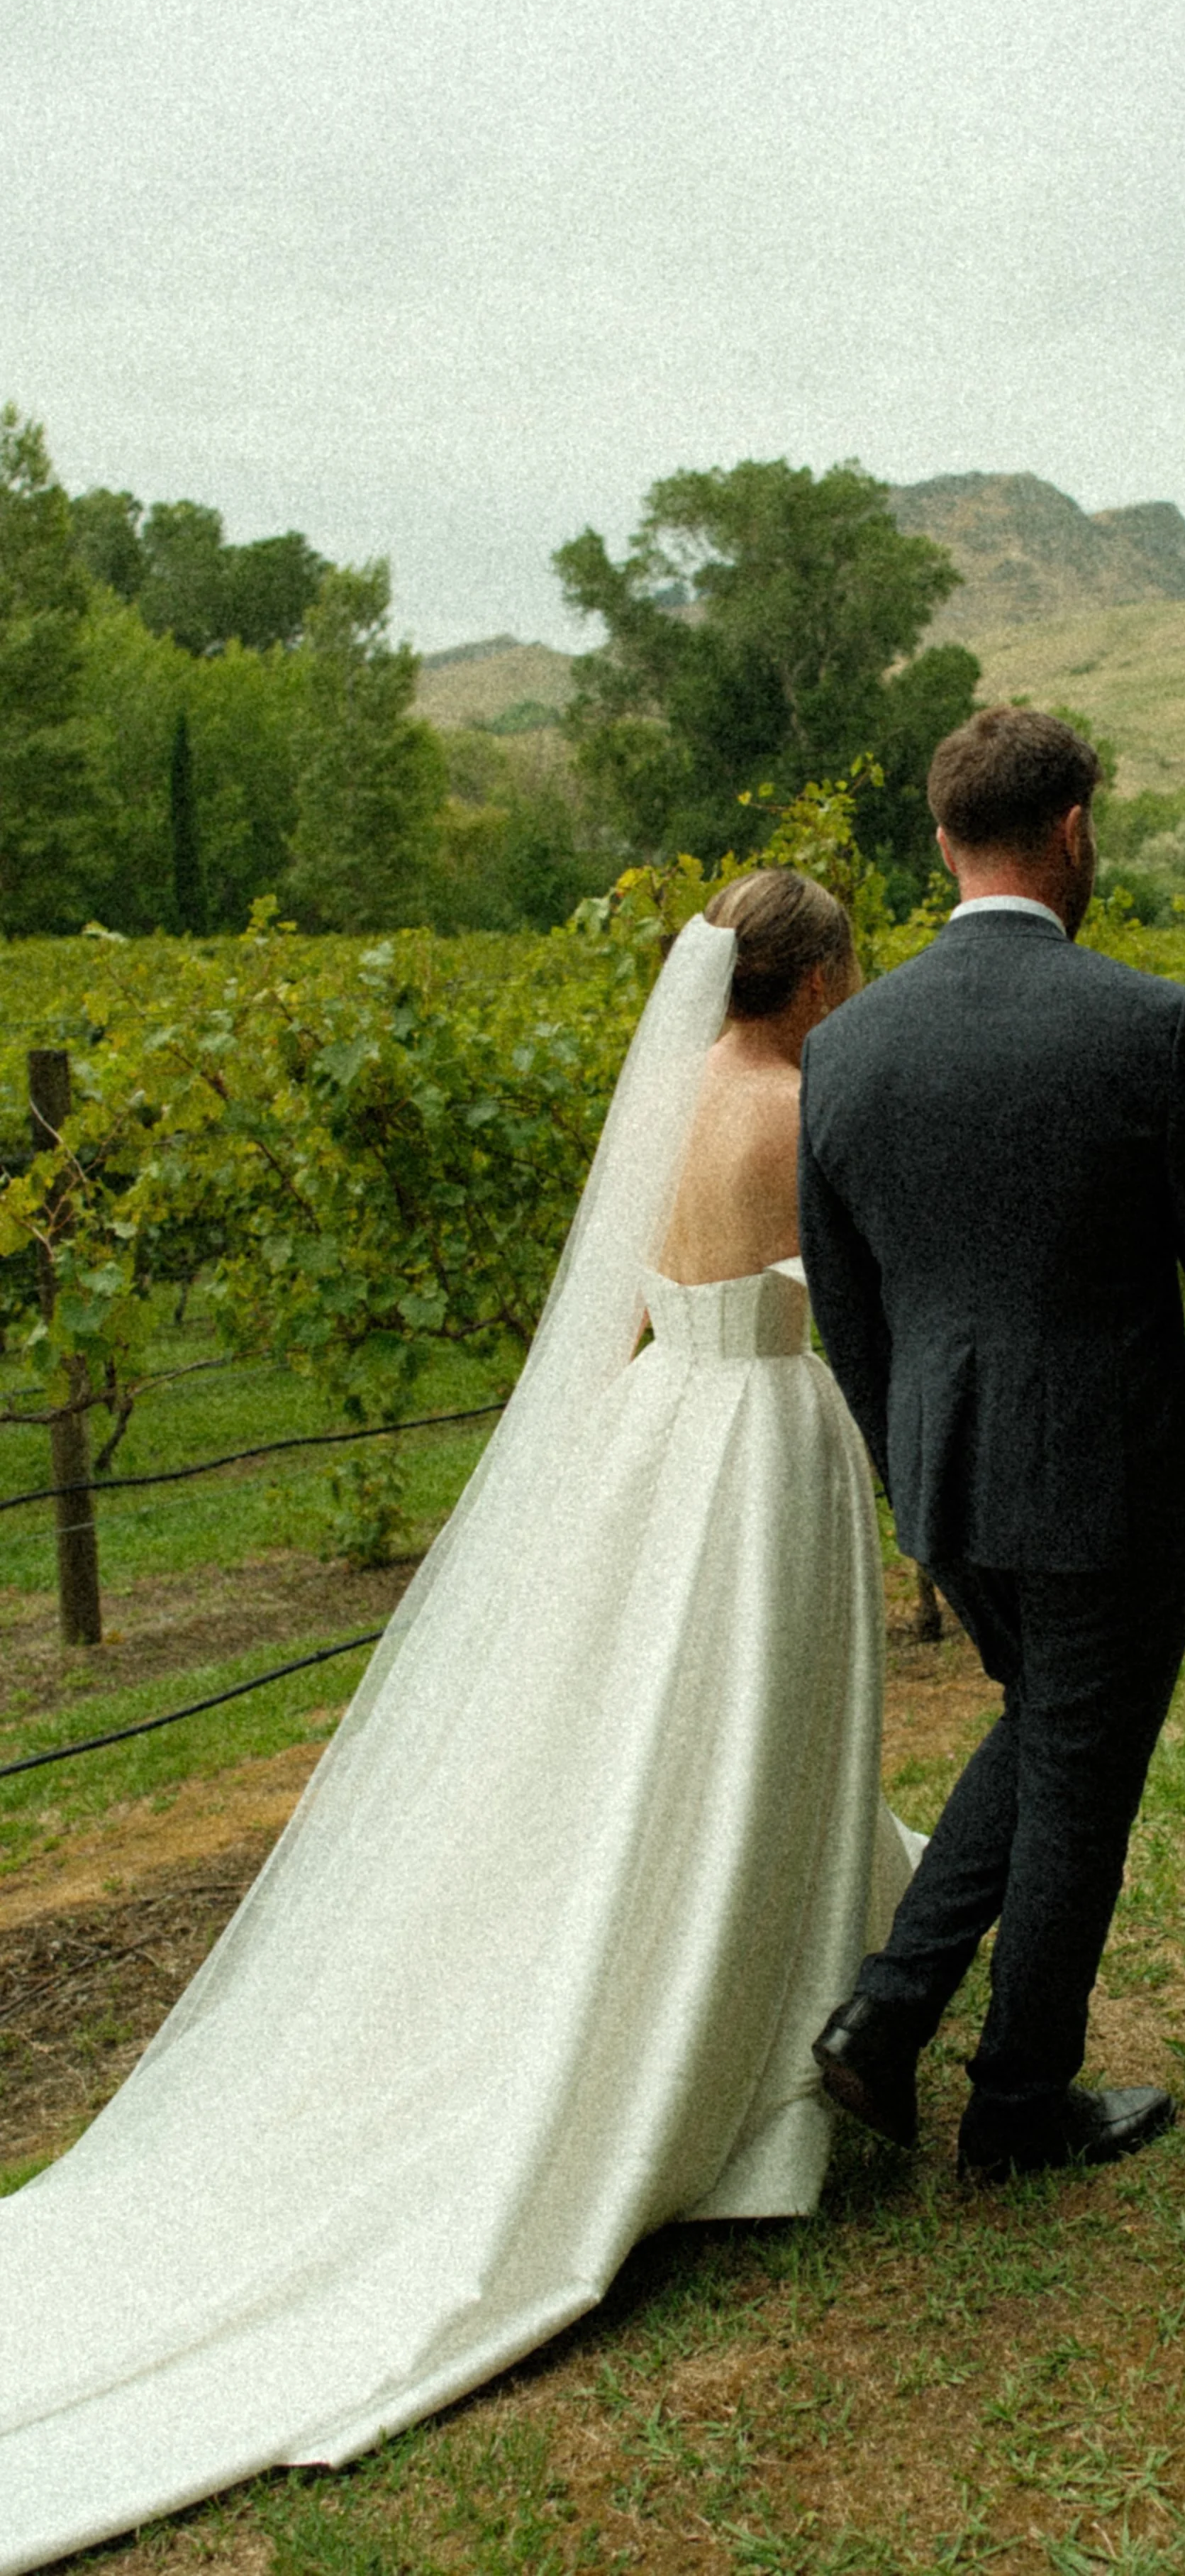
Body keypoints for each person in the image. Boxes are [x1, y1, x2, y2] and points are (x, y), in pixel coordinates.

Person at [0, 872, 918, 2576]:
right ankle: (741, 2043)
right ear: (805, 983)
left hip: (659, 1430)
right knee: (752, 1740)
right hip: (763, 1434)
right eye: (848, 965)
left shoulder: (675, 1095)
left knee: (665, 1743)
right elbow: (856, 1291)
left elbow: (631, 1292)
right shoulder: (804, 1101)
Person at [801, 707, 1185, 2184]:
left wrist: (912, 1463)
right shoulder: (1143, 1023)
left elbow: (847, 1304)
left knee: (1044, 1726)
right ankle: (1015, 2108)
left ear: (940, 841)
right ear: (1075, 831)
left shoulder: (844, 1047)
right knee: (1079, 1784)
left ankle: (884, 2021)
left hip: (944, 1474)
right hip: (1104, 1480)